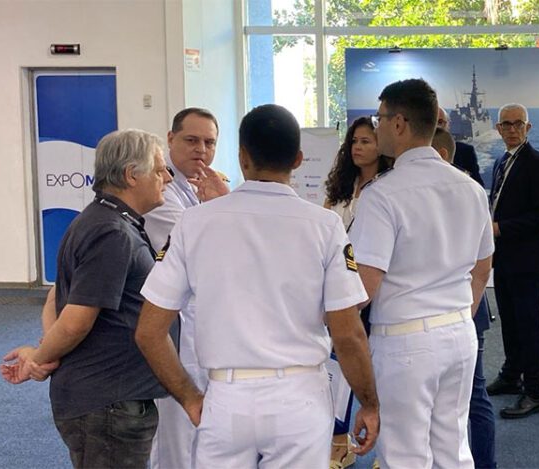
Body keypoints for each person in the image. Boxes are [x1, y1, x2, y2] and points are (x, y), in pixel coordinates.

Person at [134, 104, 380, 469]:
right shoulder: (325, 226)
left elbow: (149, 332)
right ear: (298, 159)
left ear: (241, 157)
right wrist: (370, 403)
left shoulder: (194, 224)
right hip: (300, 398)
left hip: (226, 397)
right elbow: (348, 334)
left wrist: (188, 397)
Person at [0, 129, 173, 468]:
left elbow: (57, 296)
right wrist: (39, 357)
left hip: (106, 399)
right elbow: (76, 320)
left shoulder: (98, 220)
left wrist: (45, 351)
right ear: (130, 176)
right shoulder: (111, 232)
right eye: (158, 169)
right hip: (108, 404)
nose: (166, 177)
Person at [349, 79, 493, 469]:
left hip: (405, 342)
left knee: (406, 455)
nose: (375, 128)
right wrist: (459, 313)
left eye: (379, 119)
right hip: (460, 333)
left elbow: (364, 285)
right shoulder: (470, 188)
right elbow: (483, 266)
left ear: (398, 123)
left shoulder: (382, 195)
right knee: (454, 448)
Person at [143, 107, 229, 469]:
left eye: (209, 143)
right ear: (170, 139)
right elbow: (201, 245)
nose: (201, 150)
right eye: (192, 140)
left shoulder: (201, 188)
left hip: (203, 327)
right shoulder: (160, 193)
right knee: (175, 441)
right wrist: (224, 206)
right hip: (171, 329)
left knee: (203, 434)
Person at [324, 116, 392, 469]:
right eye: (354, 141)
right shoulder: (339, 186)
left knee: (377, 365)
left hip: (374, 288)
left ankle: (387, 448)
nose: (358, 147)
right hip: (338, 286)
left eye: (366, 141)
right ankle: (339, 442)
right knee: (339, 364)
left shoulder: (390, 187)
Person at [485, 103, 539, 419]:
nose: (512, 129)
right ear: (498, 128)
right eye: (506, 124)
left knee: (529, 326)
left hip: (526, 260)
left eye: (518, 124)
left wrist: (500, 228)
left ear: (528, 128)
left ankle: (534, 393)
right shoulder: (503, 161)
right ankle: (511, 375)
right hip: (503, 258)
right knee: (510, 321)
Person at [432, 126, 497, 468]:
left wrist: (466, 311)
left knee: (474, 397)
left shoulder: (468, 195)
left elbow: (481, 268)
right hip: (456, 314)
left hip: (466, 312)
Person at [438, 107, 484, 187]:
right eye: (431, 122)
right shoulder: (414, 152)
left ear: (448, 124)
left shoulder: (465, 152)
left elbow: (478, 187)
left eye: (440, 122)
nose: (437, 126)